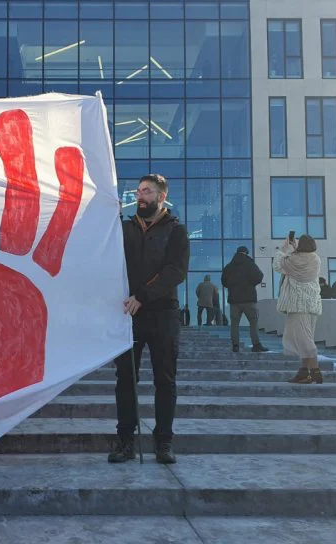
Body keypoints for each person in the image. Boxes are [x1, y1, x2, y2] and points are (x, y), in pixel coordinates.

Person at [111, 174, 189, 465]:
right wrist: (107, 217)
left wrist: (143, 295)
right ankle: (124, 441)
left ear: (161, 197)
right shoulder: (124, 228)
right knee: (125, 380)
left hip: (162, 314)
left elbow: (175, 271)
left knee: (165, 380)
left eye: (147, 192)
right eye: (138, 191)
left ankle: (164, 442)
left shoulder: (176, 231)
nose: (140, 196)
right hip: (128, 314)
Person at [274, 235, 323, 384]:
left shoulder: (293, 259)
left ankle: (315, 372)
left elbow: (278, 265)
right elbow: (298, 262)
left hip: (298, 305)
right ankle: (303, 372)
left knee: (304, 340)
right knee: (305, 338)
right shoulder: (315, 258)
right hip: (312, 304)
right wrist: (294, 250)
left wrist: (283, 249)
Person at [220, 246, 267, 353]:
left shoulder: (229, 266)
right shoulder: (250, 264)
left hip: (234, 300)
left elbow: (224, 281)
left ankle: (235, 346)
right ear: (246, 253)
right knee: (253, 322)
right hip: (249, 298)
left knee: (235, 324)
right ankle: (256, 345)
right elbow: (259, 276)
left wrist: (233, 287)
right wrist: (250, 284)